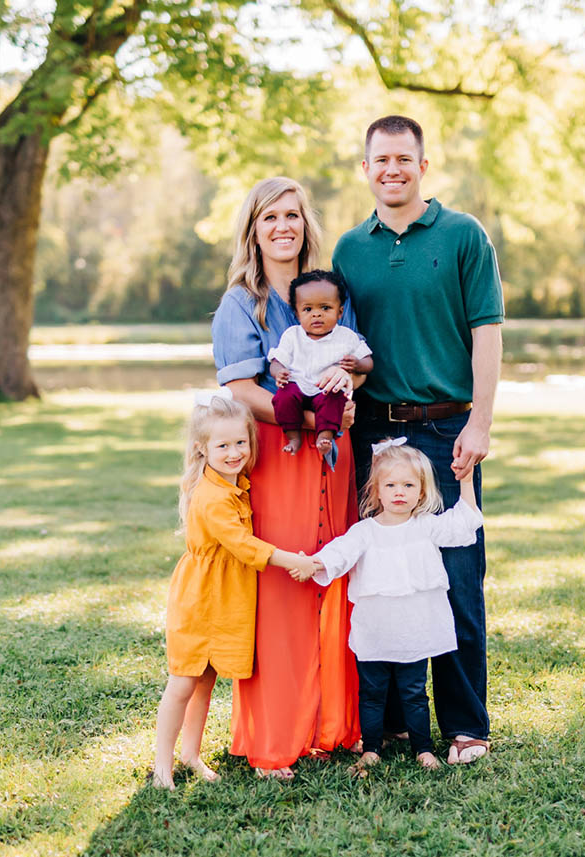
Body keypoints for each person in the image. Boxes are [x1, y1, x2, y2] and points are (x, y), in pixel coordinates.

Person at [332, 115, 503, 765]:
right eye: (380, 160)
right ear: (366, 168)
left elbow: (486, 331)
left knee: (455, 578)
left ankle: (465, 726)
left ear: (423, 166)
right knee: (383, 577)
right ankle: (399, 723)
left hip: (444, 428)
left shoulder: (463, 236)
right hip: (374, 433)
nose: (392, 169)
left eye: (404, 158)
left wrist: (480, 422)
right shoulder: (350, 249)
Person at [211, 176, 363, 778]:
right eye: (269, 217)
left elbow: (354, 358)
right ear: (253, 228)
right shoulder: (239, 304)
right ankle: (276, 735)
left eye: (293, 216)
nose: (283, 227)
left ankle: (334, 726)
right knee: (282, 586)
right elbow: (242, 389)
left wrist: (349, 393)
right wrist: (308, 414)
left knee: (336, 578)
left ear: (307, 225)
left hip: (334, 454)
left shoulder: (328, 291)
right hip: (278, 454)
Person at [151, 391, 320, 790]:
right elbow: (244, 546)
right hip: (201, 600)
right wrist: (293, 560)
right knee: (182, 682)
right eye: (222, 445)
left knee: (205, 681)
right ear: (202, 449)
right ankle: (162, 765)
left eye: (240, 442)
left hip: (225, 597)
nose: (233, 452)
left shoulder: (235, 483)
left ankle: (190, 753)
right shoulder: (212, 497)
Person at [296, 438, 482, 773]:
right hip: (375, 630)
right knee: (372, 693)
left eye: (409, 485)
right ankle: (371, 748)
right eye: (391, 485)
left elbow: (463, 524)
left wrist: (466, 481)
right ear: (377, 491)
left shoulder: (426, 527)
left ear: (421, 492)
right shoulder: (365, 531)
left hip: (414, 631)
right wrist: (314, 564)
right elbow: (339, 553)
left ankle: (423, 749)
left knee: (414, 692)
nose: (400, 492)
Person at [268, 269, 374, 457]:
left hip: (326, 389)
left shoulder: (346, 337)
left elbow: (368, 362)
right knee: (283, 398)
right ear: (297, 313)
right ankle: (293, 437)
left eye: (325, 308)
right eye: (308, 309)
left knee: (335, 400)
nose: (316, 315)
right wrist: (279, 372)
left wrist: (357, 364)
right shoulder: (292, 336)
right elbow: (276, 361)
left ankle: (325, 436)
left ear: (340, 311)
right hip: (297, 385)